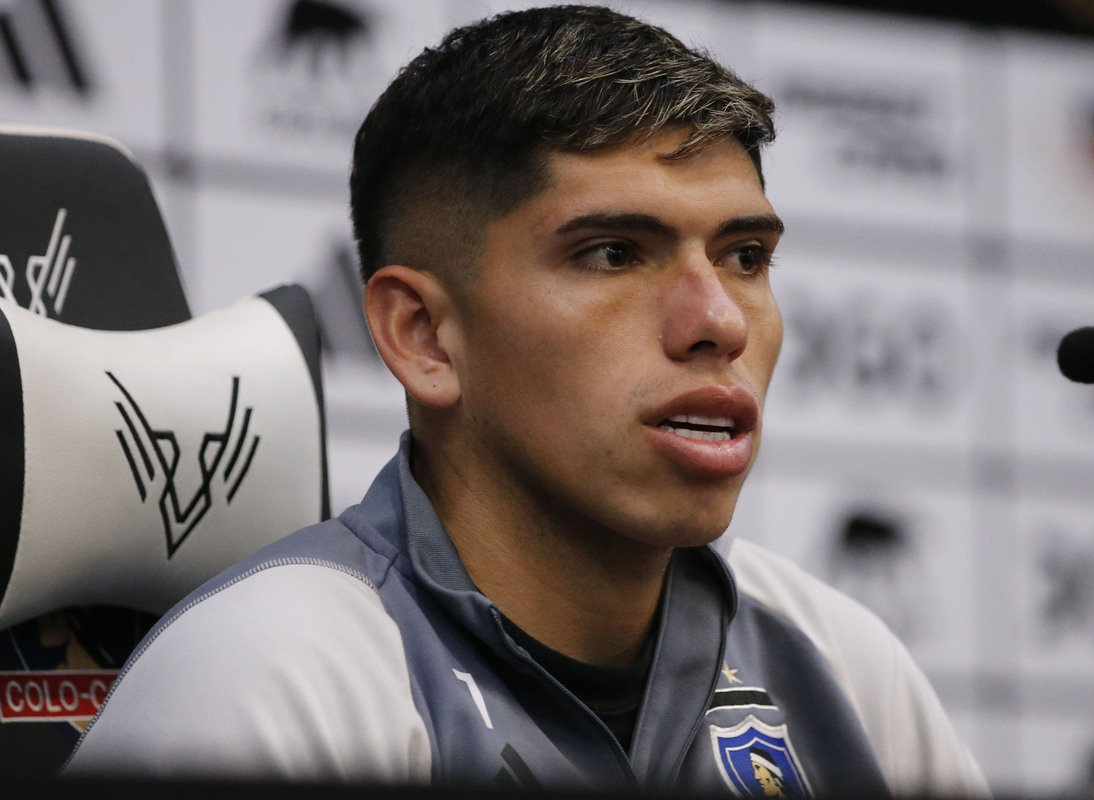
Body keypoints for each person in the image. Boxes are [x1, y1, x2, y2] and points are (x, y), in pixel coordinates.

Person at [65, 6, 988, 795]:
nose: (719, 322)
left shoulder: (838, 663)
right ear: (424, 336)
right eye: (613, 253)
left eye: (746, 257)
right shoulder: (269, 680)